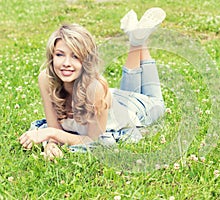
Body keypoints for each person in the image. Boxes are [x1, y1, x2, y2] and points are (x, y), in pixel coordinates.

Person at [19, 7, 166, 159]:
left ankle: (139, 41)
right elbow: (54, 126)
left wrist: (51, 134)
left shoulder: (96, 89)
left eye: (75, 56)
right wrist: (51, 143)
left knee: (157, 104)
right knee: (128, 94)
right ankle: (137, 39)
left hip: (129, 109)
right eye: (60, 54)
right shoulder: (46, 79)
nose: (66, 63)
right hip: (112, 100)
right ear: (52, 56)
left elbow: (93, 140)